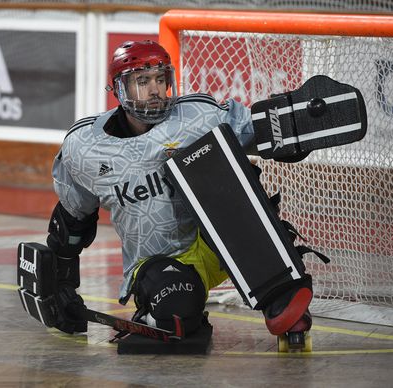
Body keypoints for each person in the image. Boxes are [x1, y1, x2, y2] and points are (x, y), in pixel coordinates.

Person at [46, 40, 313, 336]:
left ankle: (280, 287)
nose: (155, 89)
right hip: (157, 261)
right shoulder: (85, 147)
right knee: (176, 313)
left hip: (223, 243)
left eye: (160, 79)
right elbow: (72, 220)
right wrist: (60, 285)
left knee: (228, 165)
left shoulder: (196, 117)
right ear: (119, 89)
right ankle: (163, 308)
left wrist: (294, 129)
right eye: (142, 81)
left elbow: (261, 131)